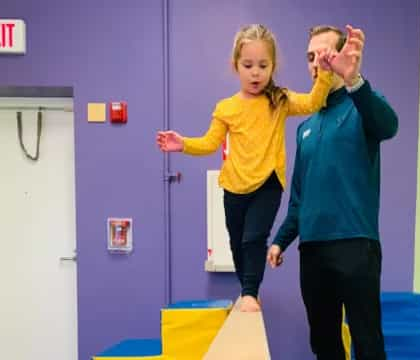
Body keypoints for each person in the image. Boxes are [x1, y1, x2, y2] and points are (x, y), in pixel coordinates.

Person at [157, 24, 344, 312]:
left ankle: (249, 291)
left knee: (254, 237)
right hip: (234, 185)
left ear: (272, 66)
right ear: (236, 66)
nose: (255, 72)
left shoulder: (278, 99)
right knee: (237, 242)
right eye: (248, 65)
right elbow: (210, 143)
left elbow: (313, 102)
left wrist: (325, 72)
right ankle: (249, 289)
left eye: (263, 65)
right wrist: (183, 144)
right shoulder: (226, 108)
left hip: (268, 182)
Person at [267, 25, 398, 360]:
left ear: (343, 57)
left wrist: (354, 81)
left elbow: (389, 125)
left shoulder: (362, 106)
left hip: (356, 244)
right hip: (313, 251)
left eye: (325, 54)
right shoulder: (306, 127)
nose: (316, 63)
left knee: (367, 341)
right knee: (324, 342)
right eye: (310, 57)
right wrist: (281, 239)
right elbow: (299, 197)